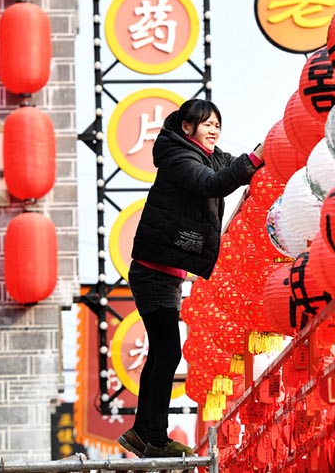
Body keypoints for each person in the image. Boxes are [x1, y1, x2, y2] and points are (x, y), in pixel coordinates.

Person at [118, 99, 264, 458]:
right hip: (152, 272)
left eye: (217, 124)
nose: (214, 130)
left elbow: (231, 167)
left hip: (164, 272)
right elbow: (213, 183)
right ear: (187, 128)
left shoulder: (204, 154)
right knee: (167, 352)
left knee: (161, 353)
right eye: (206, 124)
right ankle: (153, 437)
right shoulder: (179, 158)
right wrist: (254, 161)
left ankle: (143, 433)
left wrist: (264, 159)